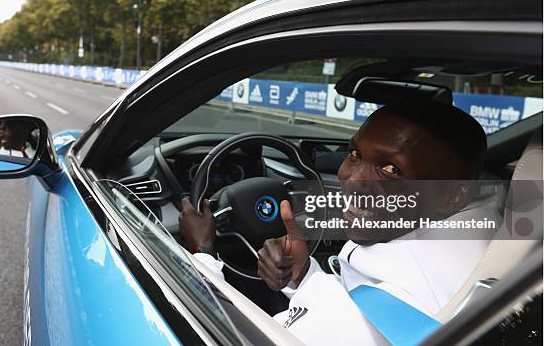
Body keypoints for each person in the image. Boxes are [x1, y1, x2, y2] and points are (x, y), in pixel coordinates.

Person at [180, 101, 499, 345]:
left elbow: (212, 331)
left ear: (452, 197)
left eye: (390, 169)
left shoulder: (377, 314)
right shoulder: (492, 245)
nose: (350, 180)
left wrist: (202, 251)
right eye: (355, 154)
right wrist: (304, 275)